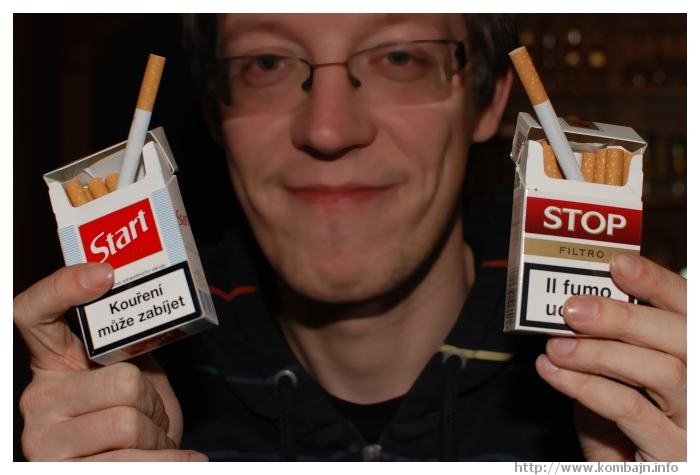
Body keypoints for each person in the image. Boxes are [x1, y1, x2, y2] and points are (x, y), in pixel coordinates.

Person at [13, 14, 686, 462]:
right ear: (217, 113)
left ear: (488, 101)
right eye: (267, 62)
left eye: (400, 56)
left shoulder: (628, 393)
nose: (328, 129)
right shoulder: (129, 389)